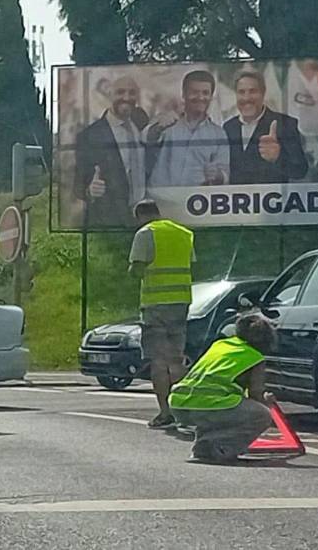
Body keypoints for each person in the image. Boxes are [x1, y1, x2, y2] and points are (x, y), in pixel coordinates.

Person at [170, 313, 278, 464]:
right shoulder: (254, 357)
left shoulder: (220, 345)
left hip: (179, 403)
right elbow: (255, 394)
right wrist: (266, 401)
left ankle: (202, 450)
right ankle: (222, 449)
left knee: (219, 409)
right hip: (208, 405)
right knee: (261, 415)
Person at [127, 199, 195, 429]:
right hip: (181, 303)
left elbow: (136, 270)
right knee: (176, 359)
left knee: (158, 361)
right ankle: (184, 409)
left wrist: (132, 270)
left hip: (155, 305)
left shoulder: (146, 234)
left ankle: (166, 413)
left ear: (140, 215)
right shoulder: (184, 233)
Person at [74, 75, 150, 228]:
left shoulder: (141, 121)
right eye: (120, 92)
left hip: (144, 217)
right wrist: (90, 190)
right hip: (111, 223)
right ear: (110, 95)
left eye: (132, 93)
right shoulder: (90, 135)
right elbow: (78, 185)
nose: (126, 98)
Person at [145, 70, 229, 188]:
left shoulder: (219, 134)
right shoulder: (164, 122)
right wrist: (157, 129)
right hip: (161, 196)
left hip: (195, 197)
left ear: (211, 96)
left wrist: (218, 175)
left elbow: (225, 174)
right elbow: (143, 144)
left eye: (205, 93)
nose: (200, 97)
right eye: (194, 92)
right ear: (184, 94)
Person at [223, 70, 309, 184]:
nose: (247, 98)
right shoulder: (228, 127)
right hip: (237, 195)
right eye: (241, 92)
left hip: (272, 195)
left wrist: (277, 158)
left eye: (253, 91)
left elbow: (300, 170)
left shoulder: (285, 124)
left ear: (263, 93)